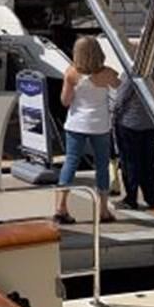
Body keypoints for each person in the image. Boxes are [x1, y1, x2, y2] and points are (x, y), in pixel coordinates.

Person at [55, 36, 120, 224]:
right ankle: (103, 210)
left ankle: (61, 207)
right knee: (102, 165)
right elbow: (120, 87)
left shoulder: (71, 74)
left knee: (70, 163)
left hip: (76, 124)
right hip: (100, 124)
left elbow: (65, 102)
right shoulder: (108, 73)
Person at [114, 73, 154, 210]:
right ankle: (151, 197)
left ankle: (131, 197)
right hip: (150, 123)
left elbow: (120, 100)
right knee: (149, 162)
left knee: (130, 162)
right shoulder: (151, 75)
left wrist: (113, 116)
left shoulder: (130, 75)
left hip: (129, 123)